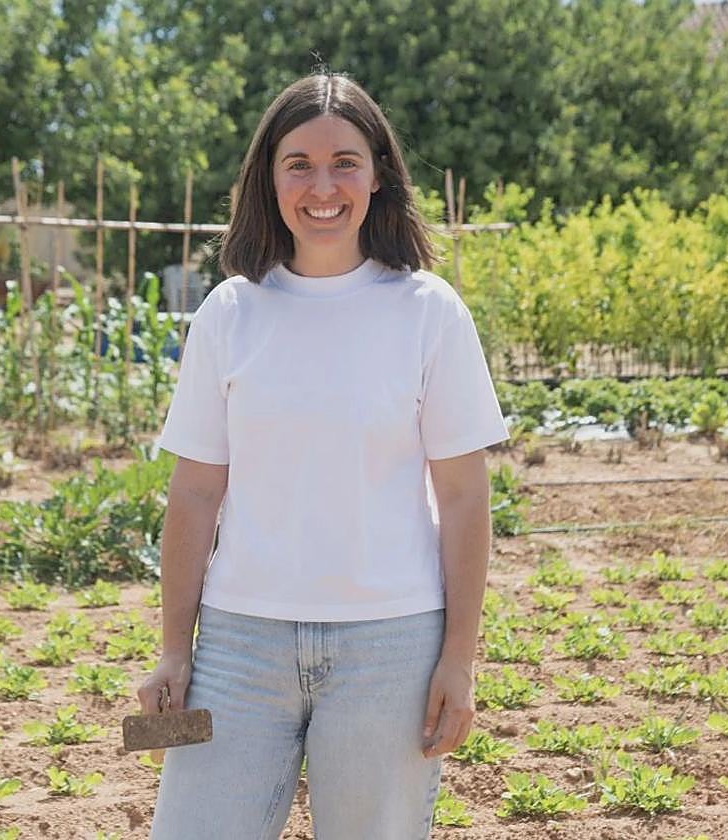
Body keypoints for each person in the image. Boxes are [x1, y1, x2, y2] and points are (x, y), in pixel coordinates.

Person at [138, 70, 510, 839]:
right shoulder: (228, 313)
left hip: (392, 648)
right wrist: (175, 650)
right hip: (237, 646)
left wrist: (459, 660)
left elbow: (465, 497)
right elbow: (195, 493)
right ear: (268, 179)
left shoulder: (430, 312)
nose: (323, 186)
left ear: (378, 175)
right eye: (298, 164)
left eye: (345, 162)